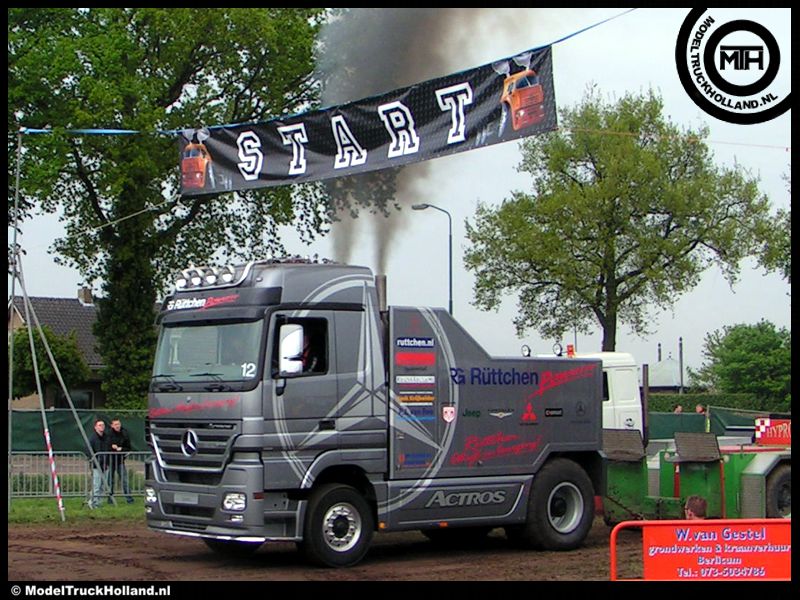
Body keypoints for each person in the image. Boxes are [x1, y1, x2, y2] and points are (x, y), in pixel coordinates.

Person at [108, 417, 135, 504]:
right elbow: (106, 446)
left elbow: (128, 447)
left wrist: (121, 449)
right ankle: (110, 499)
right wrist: (111, 447)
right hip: (110, 461)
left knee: (124, 480)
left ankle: (129, 499)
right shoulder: (108, 434)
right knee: (110, 481)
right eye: (115, 424)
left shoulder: (124, 433)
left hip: (120, 461)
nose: (117, 426)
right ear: (112, 425)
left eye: (118, 424)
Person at [88, 418, 110, 509]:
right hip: (96, 465)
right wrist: (94, 459)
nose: (102, 427)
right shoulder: (93, 438)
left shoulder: (106, 437)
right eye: (100, 425)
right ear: (95, 427)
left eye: (103, 425)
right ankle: (92, 502)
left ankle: (98, 503)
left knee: (102, 485)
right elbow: (89, 450)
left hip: (105, 464)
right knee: (96, 485)